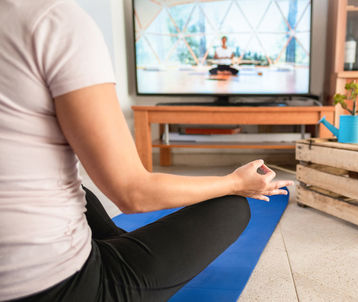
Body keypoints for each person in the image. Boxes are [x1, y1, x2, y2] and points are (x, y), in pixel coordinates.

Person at [0, 1, 292, 301]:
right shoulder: (52, 20)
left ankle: (122, 246)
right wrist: (237, 183)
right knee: (232, 206)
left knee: (79, 190)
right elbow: (133, 193)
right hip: (62, 289)